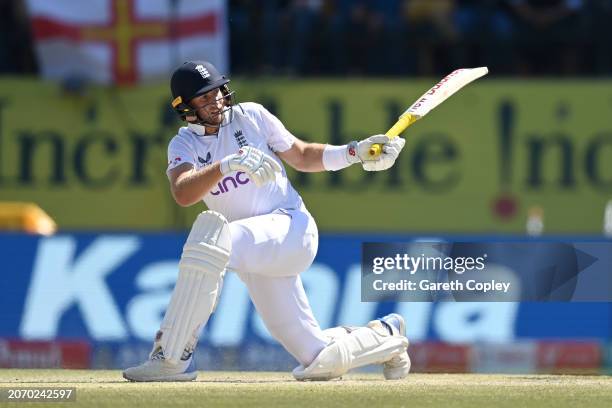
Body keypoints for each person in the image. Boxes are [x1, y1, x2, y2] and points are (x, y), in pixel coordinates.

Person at [123, 61, 410, 382]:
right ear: (185, 108)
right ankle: (386, 335)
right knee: (318, 361)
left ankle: (171, 358)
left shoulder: (252, 116)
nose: (215, 102)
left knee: (211, 239)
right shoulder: (183, 144)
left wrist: (355, 152)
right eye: (203, 99)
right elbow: (183, 193)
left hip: (290, 228)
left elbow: (301, 155)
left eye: (216, 92)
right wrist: (227, 164)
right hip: (254, 255)